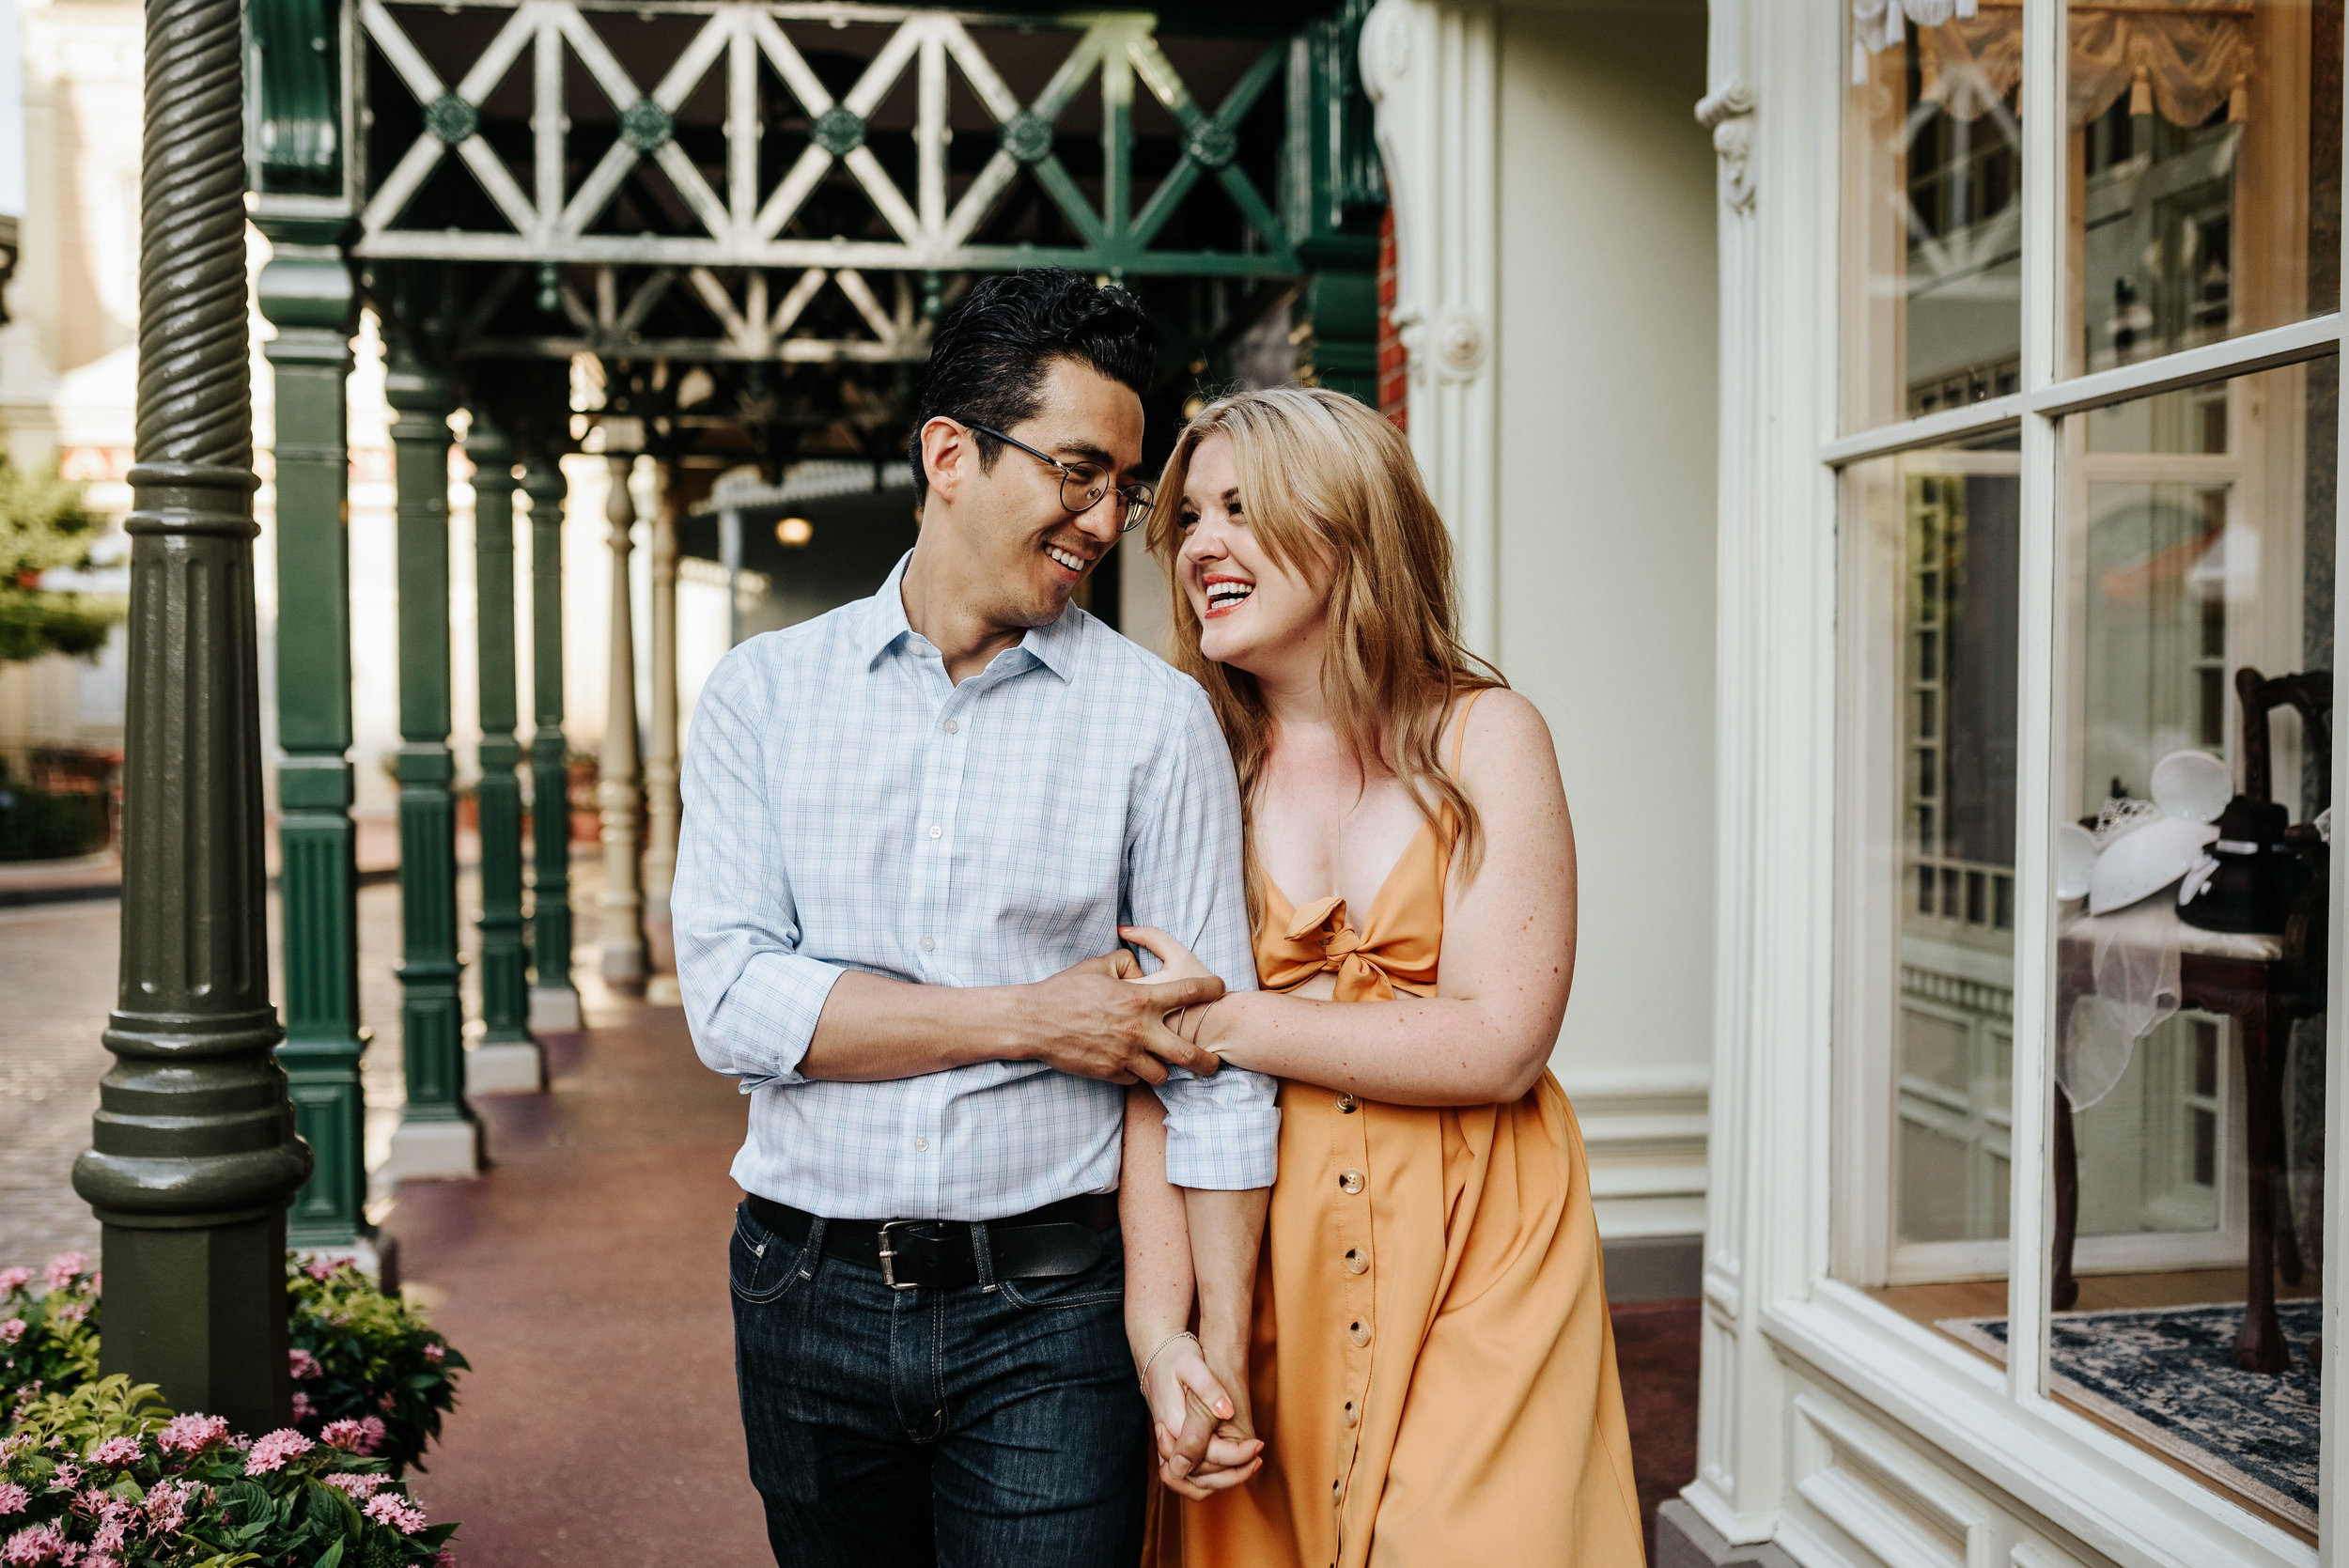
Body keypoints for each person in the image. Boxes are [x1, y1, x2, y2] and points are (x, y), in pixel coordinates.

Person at [671, 268, 1281, 1568]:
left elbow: (1207, 1060)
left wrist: (1205, 1347)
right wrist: (1038, 1019)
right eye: (1078, 470)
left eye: (1127, 484)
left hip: (1055, 1311)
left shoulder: (1155, 719)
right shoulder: (761, 697)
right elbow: (732, 1006)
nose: (1108, 517)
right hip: (802, 1290)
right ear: (951, 453)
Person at [1119, 387, 1647, 1567]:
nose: (1201, 543)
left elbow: (1502, 1039)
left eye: (1243, 509)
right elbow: (1150, 1081)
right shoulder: (1185, 763)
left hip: (1483, 1237)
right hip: (1252, 1249)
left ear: (1352, 524)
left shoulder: (1487, 735)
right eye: (1191, 516)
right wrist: (1167, 1332)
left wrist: (1232, 1018)